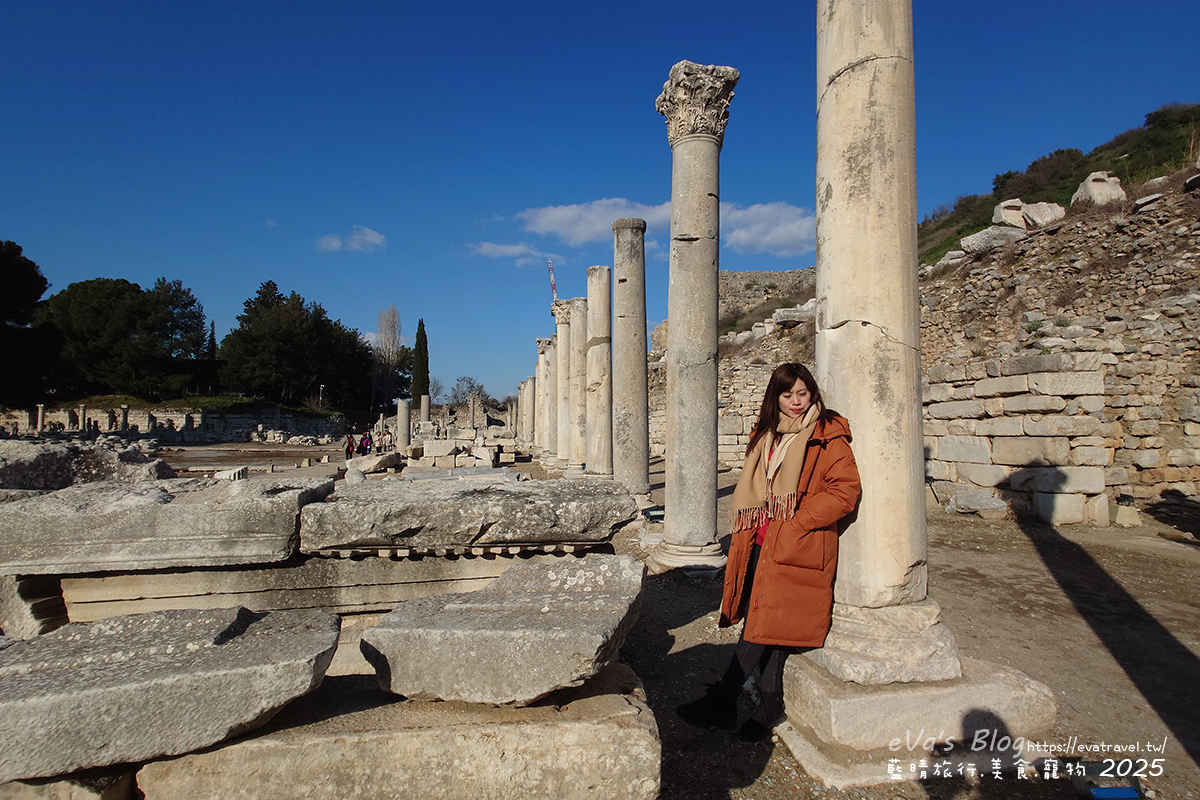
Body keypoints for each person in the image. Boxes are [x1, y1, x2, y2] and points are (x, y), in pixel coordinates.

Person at [676, 362, 861, 742]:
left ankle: (724, 699)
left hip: (796, 544)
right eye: (788, 394)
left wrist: (797, 522)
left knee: (763, 623)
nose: (796, 402)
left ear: (813, 393)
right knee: (771, 624)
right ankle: (768, 708)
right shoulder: (767, 434)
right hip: (759, 541)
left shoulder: (827, 434)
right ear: (775, 397)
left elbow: (845, 491)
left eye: (803, 393)